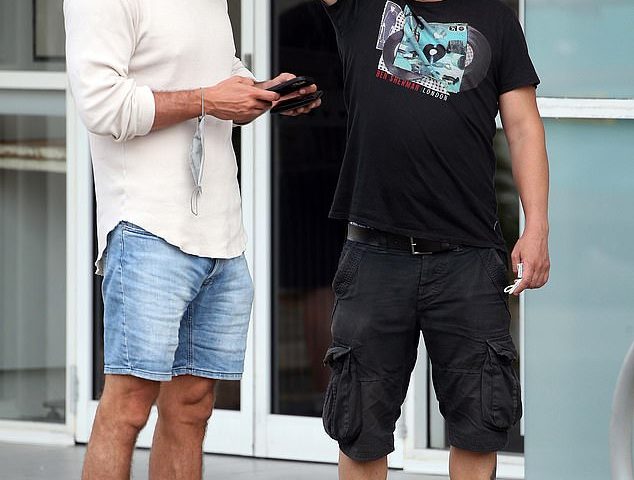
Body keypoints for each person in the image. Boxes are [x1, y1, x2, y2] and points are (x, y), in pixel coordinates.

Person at [64, 0, 320, 479]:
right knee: (129, 405)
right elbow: (102, 105)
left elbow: (221, 73)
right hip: (145, 226)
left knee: (193, 406)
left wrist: (260, 93)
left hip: (221, 233)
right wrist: (207, 100)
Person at [319, 1, 550, 479]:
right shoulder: (361, 7)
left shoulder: (496, 20)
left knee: (480, 424)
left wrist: (537, 225)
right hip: (374, 255)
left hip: (468, 257)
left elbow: (524, 127)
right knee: (359, 429)